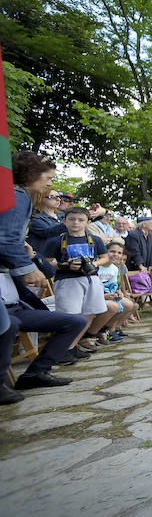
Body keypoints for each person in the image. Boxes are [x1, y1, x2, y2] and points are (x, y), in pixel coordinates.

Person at [0, 152, 87, 402]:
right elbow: (6, 240)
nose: (50, 184)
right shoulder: (17, 196)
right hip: (7, 297)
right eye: (47, 178)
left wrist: (32, 258)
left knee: (75, 322)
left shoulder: (17, 196)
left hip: (13, 298)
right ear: (30, 174)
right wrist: (25, 268)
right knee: (10, 324)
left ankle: (35, 374)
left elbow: (19, 246)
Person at [45, 207, 122, 349]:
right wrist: (65, 266)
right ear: (64, 221)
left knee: (89, 313)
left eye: (81, 220)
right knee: (70, 316)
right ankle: (61, 349)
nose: (76, 223)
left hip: (91, 279)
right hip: (67, 281)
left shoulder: (95, 240)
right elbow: (47, 263)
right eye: (71, 219)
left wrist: (94, 263)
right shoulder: (56, 241)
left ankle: (72, 347)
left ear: (88, 222)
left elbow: (104, 258)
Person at [27, 188, 67, 254]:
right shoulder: (34, 217)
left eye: (59, 197)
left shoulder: (63, 215)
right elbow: (46, 232)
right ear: (41, 199)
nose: (59, 199)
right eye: (53, 197)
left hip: (61, 254)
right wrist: (68, 224)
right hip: (44, 256)